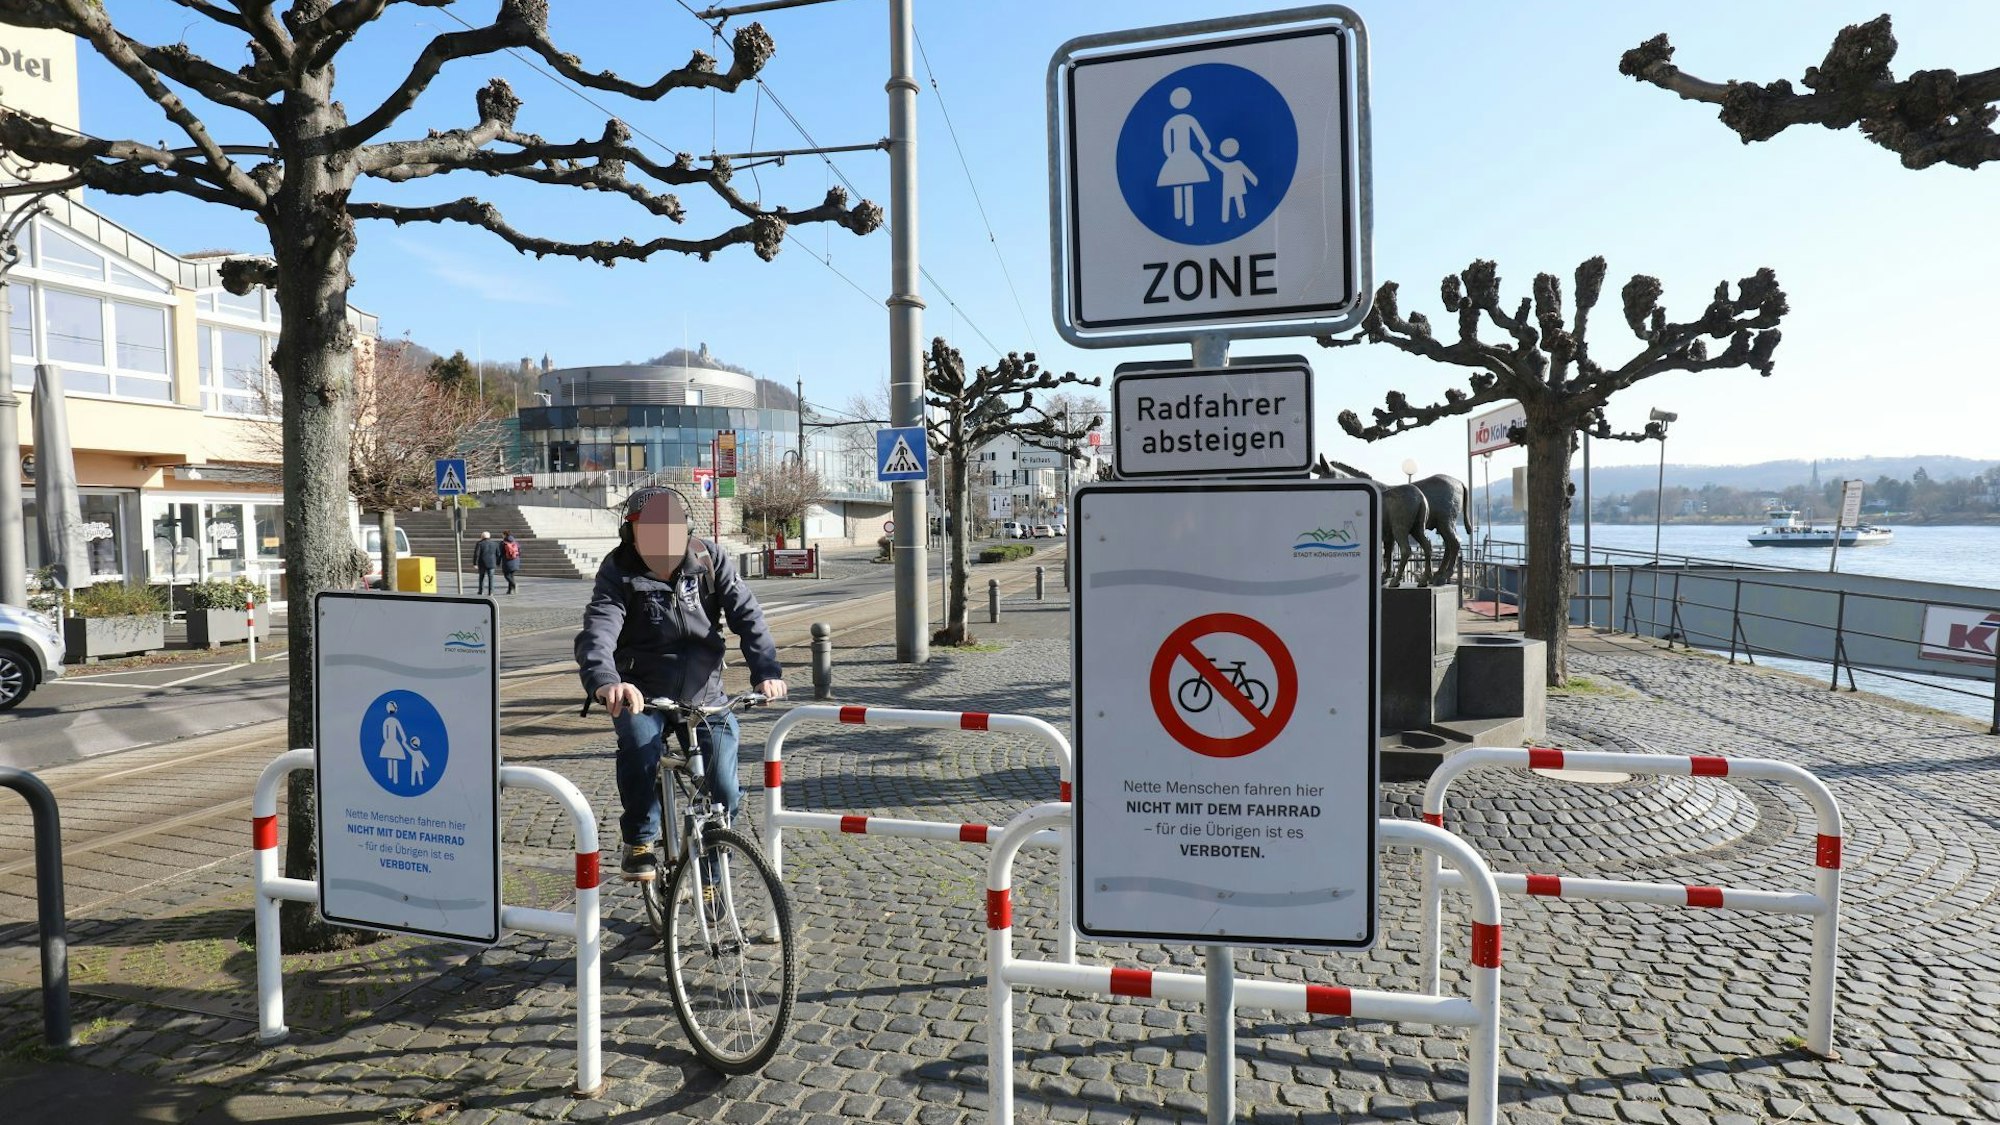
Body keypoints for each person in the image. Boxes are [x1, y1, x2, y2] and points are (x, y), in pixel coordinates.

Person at [575, 487, 788, 881]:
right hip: (641, 692)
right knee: (639, 745)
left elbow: (748, 615)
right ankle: (639, 838)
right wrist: (607, 681)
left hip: (704, 694)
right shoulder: (618, 570)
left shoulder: (708, 559)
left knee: (723, 788)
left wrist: (766, 672)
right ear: (630, 534)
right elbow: (598, 630)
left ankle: (710, 872)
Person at [472, 531, 501, 595]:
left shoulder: (479, 543)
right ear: (489, 536)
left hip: (482, 563)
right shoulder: (495, 544)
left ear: (482, 537)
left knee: (481, 578)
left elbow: (476, 554)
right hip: (492, 563)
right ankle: (491, 592)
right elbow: (498, 554)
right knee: (491, 578)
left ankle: (481, 591)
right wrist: (498, 563)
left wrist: (475, 563)